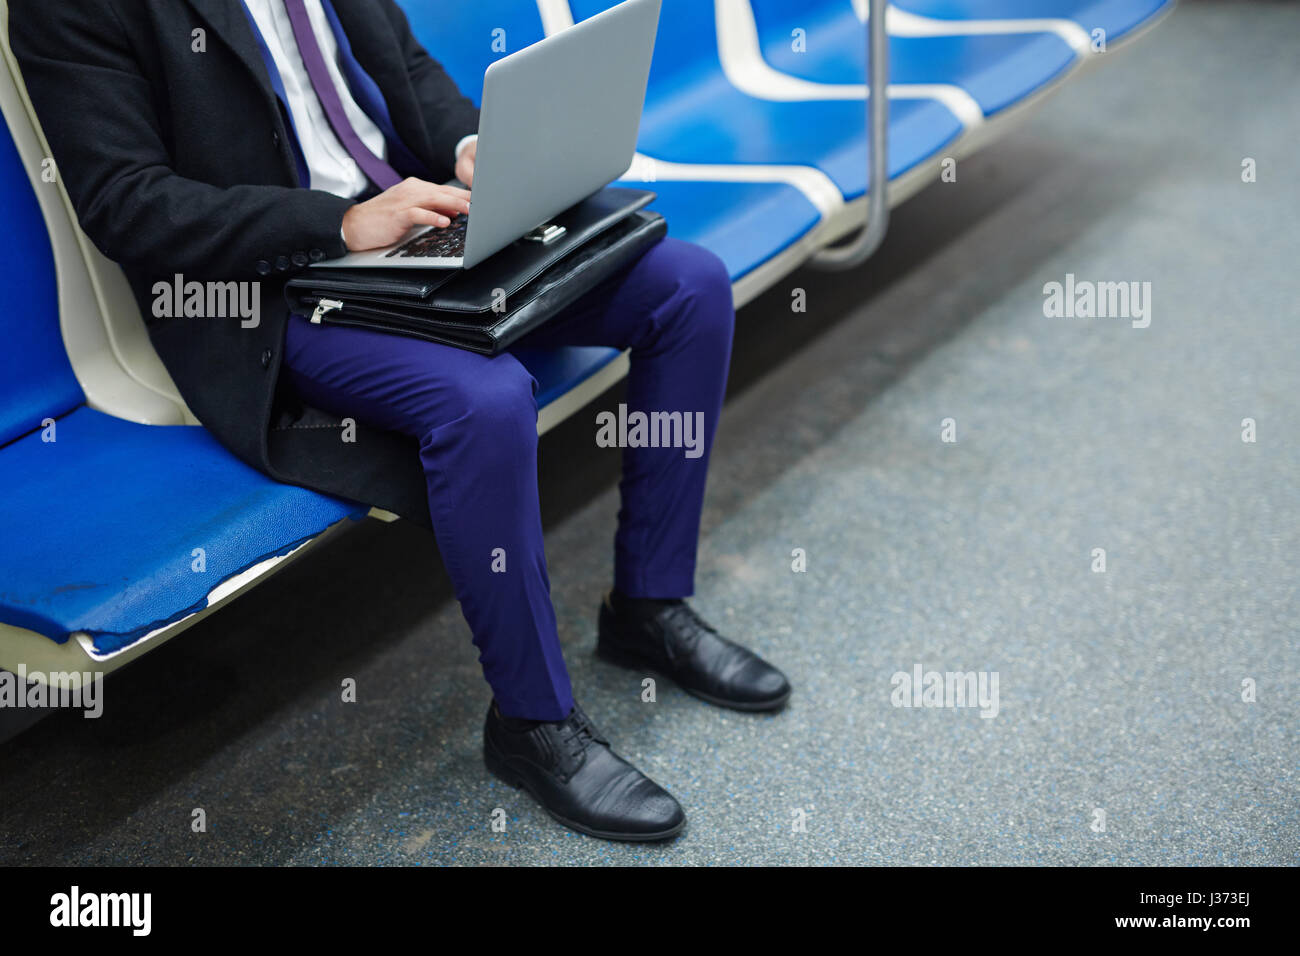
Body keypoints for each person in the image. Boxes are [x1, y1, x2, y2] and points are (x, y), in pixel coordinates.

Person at [11, 0, 791, 842]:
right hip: (273, 293)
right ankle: (533, 726)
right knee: (483, 401)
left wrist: (470, 150)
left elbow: (404, 68)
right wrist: (338, 225)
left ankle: (649, 608)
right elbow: (126, 201)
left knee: (690, 285)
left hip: (422, 224)